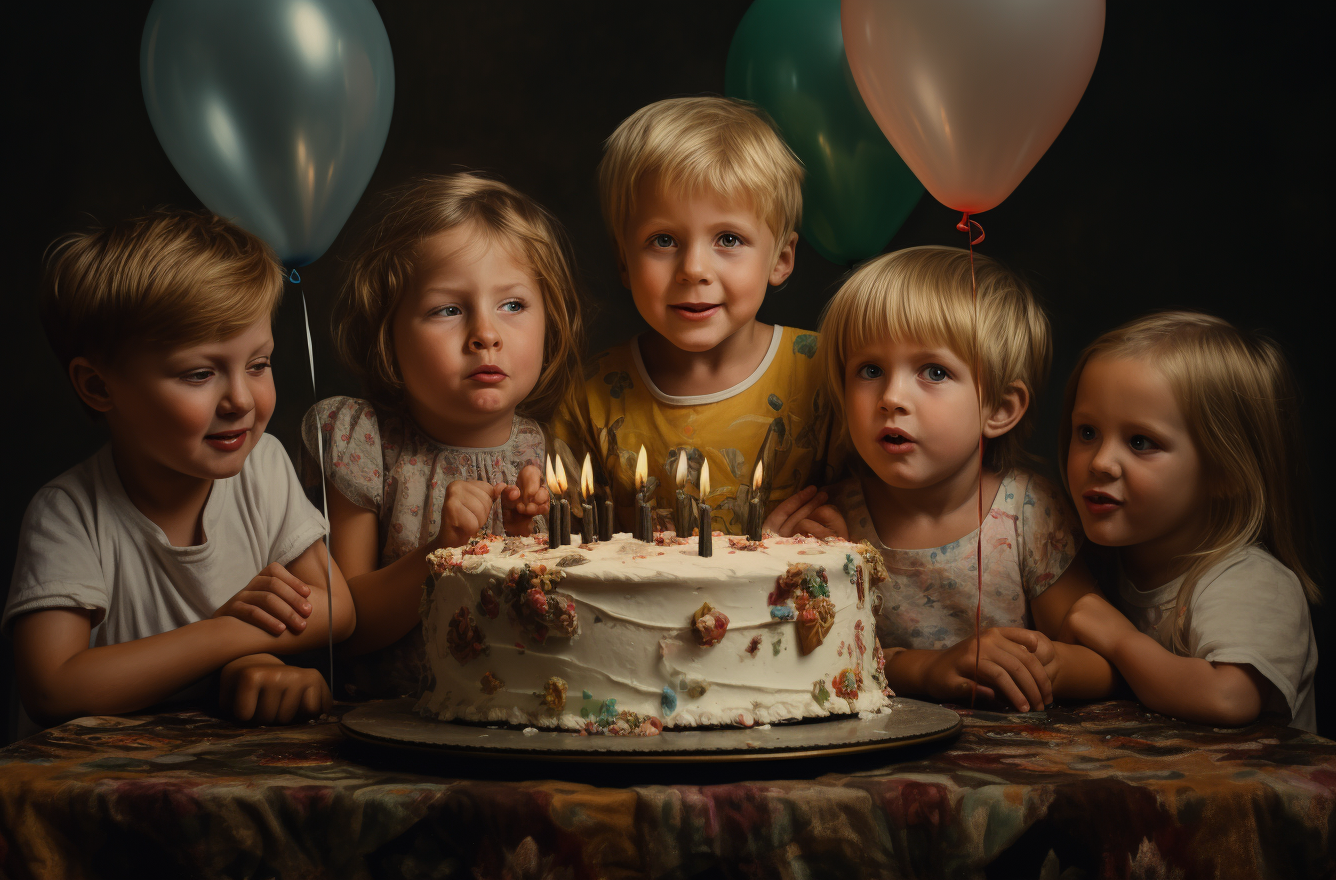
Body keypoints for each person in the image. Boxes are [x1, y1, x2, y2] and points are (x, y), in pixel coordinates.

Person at [5, 210, 355, 731]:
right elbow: (52, 688)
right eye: (199, 374)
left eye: (258, 365)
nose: (241, 400)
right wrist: (227, 637)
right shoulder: (69, 514)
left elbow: (338, 612)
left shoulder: (264, 468)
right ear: (99, 387)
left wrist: (247, 663)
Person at [795, 245, 1114, 711]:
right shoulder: (832, 522)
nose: (891, 397)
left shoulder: (1027, 513)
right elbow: (816, 661)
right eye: (870, 370)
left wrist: (1047, 664)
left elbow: (1106, 660)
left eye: (934, 371)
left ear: (1000, 409)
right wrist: (927, 669)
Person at [304, 173, 580, 697]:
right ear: (389, 336)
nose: (486, 333)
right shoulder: (364, 444)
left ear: (551, 320)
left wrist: (522, 546)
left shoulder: (546, 457)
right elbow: (346, 629)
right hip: (389, 724)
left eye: (513, 305)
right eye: (448, 310)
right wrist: (442, 548)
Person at [552, 96, 838, 534]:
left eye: (728, 238)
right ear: (624, 262)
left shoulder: (828, 370)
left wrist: (829, 530)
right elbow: (564, 542)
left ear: (780, 259)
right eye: (663, 241)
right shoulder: (589, 397)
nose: (694, 270)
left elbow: (879, 499)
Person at [1059, 312, 1319, 731]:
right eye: (1087, 432)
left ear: (1225, 472)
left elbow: (1228, 698)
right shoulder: (1101, 563)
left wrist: (1119, 638)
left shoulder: (1249, 582)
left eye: (1140, 442)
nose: (1101, 463)